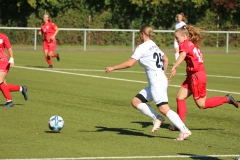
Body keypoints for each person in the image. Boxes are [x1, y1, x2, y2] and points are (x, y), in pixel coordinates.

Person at [106, 25, 191, 141]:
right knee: (136, 101)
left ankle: (184, 130)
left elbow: (130, 63)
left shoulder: (142, 47)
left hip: (157, 82)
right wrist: (163, 74)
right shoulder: (153, 44)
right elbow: (165, 59)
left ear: (142, 34)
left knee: (163, 108)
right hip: (157, 81)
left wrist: (113, 67)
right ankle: (157, 118)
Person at [168, 25, 238, 131]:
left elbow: (182, 56)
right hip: (194, 75)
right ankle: (180, 125)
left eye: (177, 38)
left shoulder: (185, 43)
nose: (176, 40)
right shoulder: (192, 43)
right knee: (180, 97)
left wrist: (174, 66)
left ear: (183, 36)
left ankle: (227, 99)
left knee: (202, 104)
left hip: (196, 77)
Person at [0, 32, 28, 107]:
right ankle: (22, 88)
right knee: (3, 86)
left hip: (3, 62)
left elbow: (9, 49)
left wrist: (12, 58)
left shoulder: (3, 37)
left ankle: (9, 102)